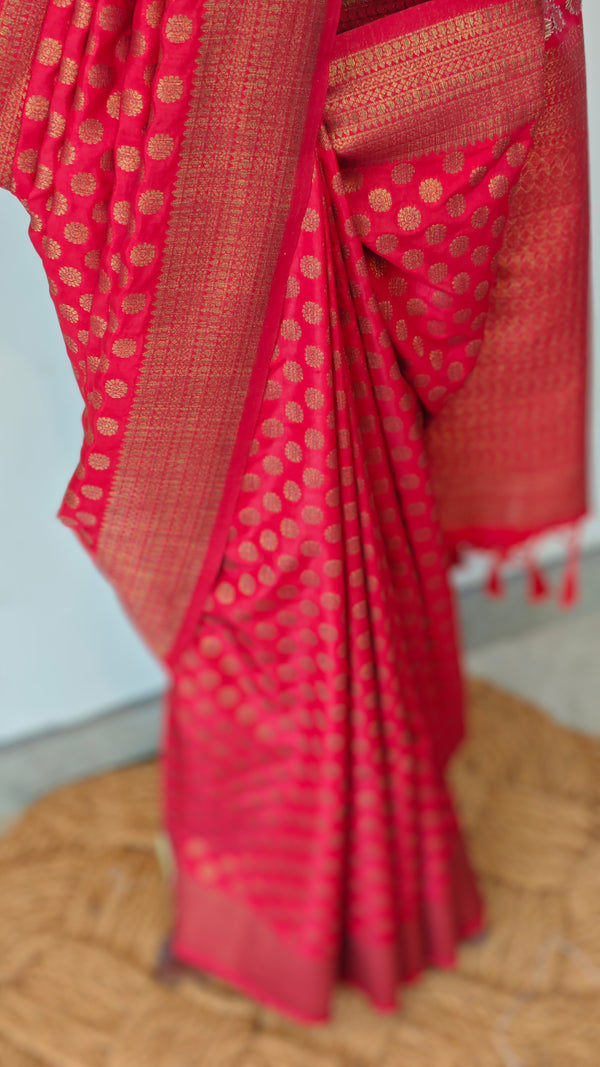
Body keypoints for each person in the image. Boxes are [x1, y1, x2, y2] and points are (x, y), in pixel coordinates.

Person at [0, 0, 588, 1021]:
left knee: (347, 540)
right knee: (242, 579)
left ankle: (376, 895)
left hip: (298, 132)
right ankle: (305, 904)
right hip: (162, 171)